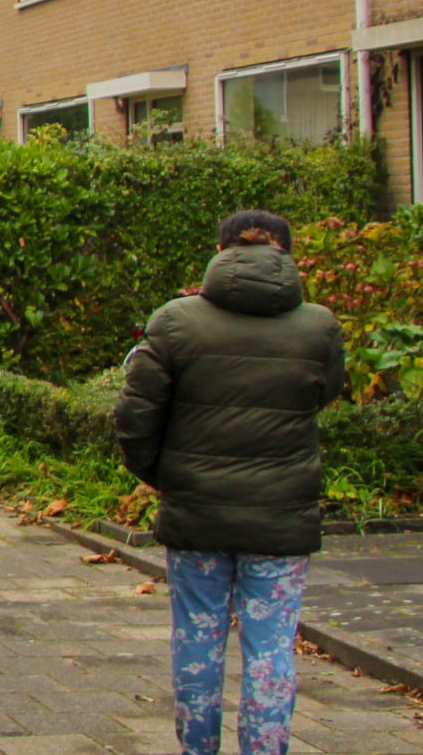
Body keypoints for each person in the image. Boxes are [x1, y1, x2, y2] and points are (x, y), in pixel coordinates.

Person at [114, 210, 342, 755]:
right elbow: (325, 393)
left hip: (197, 514)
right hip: (281, 516)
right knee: (272, 649)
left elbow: (135, 416)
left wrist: (166, 476)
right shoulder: (319, 324)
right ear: (287, 254)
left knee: (197, 639)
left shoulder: (174, 321)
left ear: (220, 252)